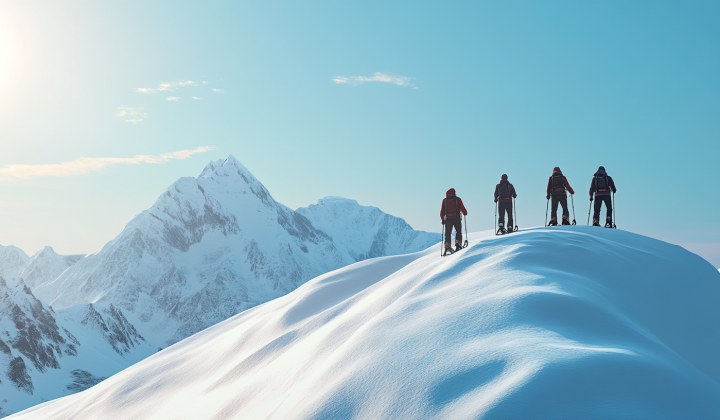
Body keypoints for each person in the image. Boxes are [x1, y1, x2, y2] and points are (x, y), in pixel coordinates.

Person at [440, 188, 468, 253]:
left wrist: (443, 220)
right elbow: (462, 208)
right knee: (458, 232)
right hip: (457, 218)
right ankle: (458, 243)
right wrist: (465, 213)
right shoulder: (458, 199)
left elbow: (442, 212)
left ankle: (447, 246)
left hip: (448, 220)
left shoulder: (445, 200)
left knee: (448, 234)